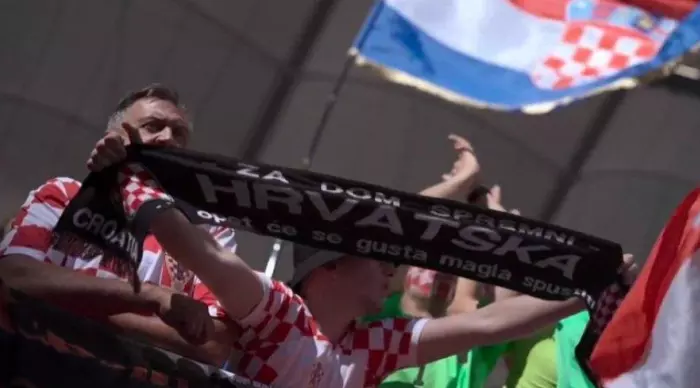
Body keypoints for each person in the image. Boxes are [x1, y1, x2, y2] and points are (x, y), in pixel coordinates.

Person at [87, 124, 638, 388]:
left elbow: (490, 323)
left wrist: (581, 293)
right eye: (377, 258)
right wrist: (127, 181)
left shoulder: (373, 347)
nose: (392, 268)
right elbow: (199, 250)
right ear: (328, 267)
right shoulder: (275, 310)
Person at [0, 84, 237, 366]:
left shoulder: (208, 232)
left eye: (179, 133)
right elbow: (14, 276)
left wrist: (68, 304)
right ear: (114, 138)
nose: (168, 138)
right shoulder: (64, 195)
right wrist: (152, 297)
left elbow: (214, 343)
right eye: (152, 126)